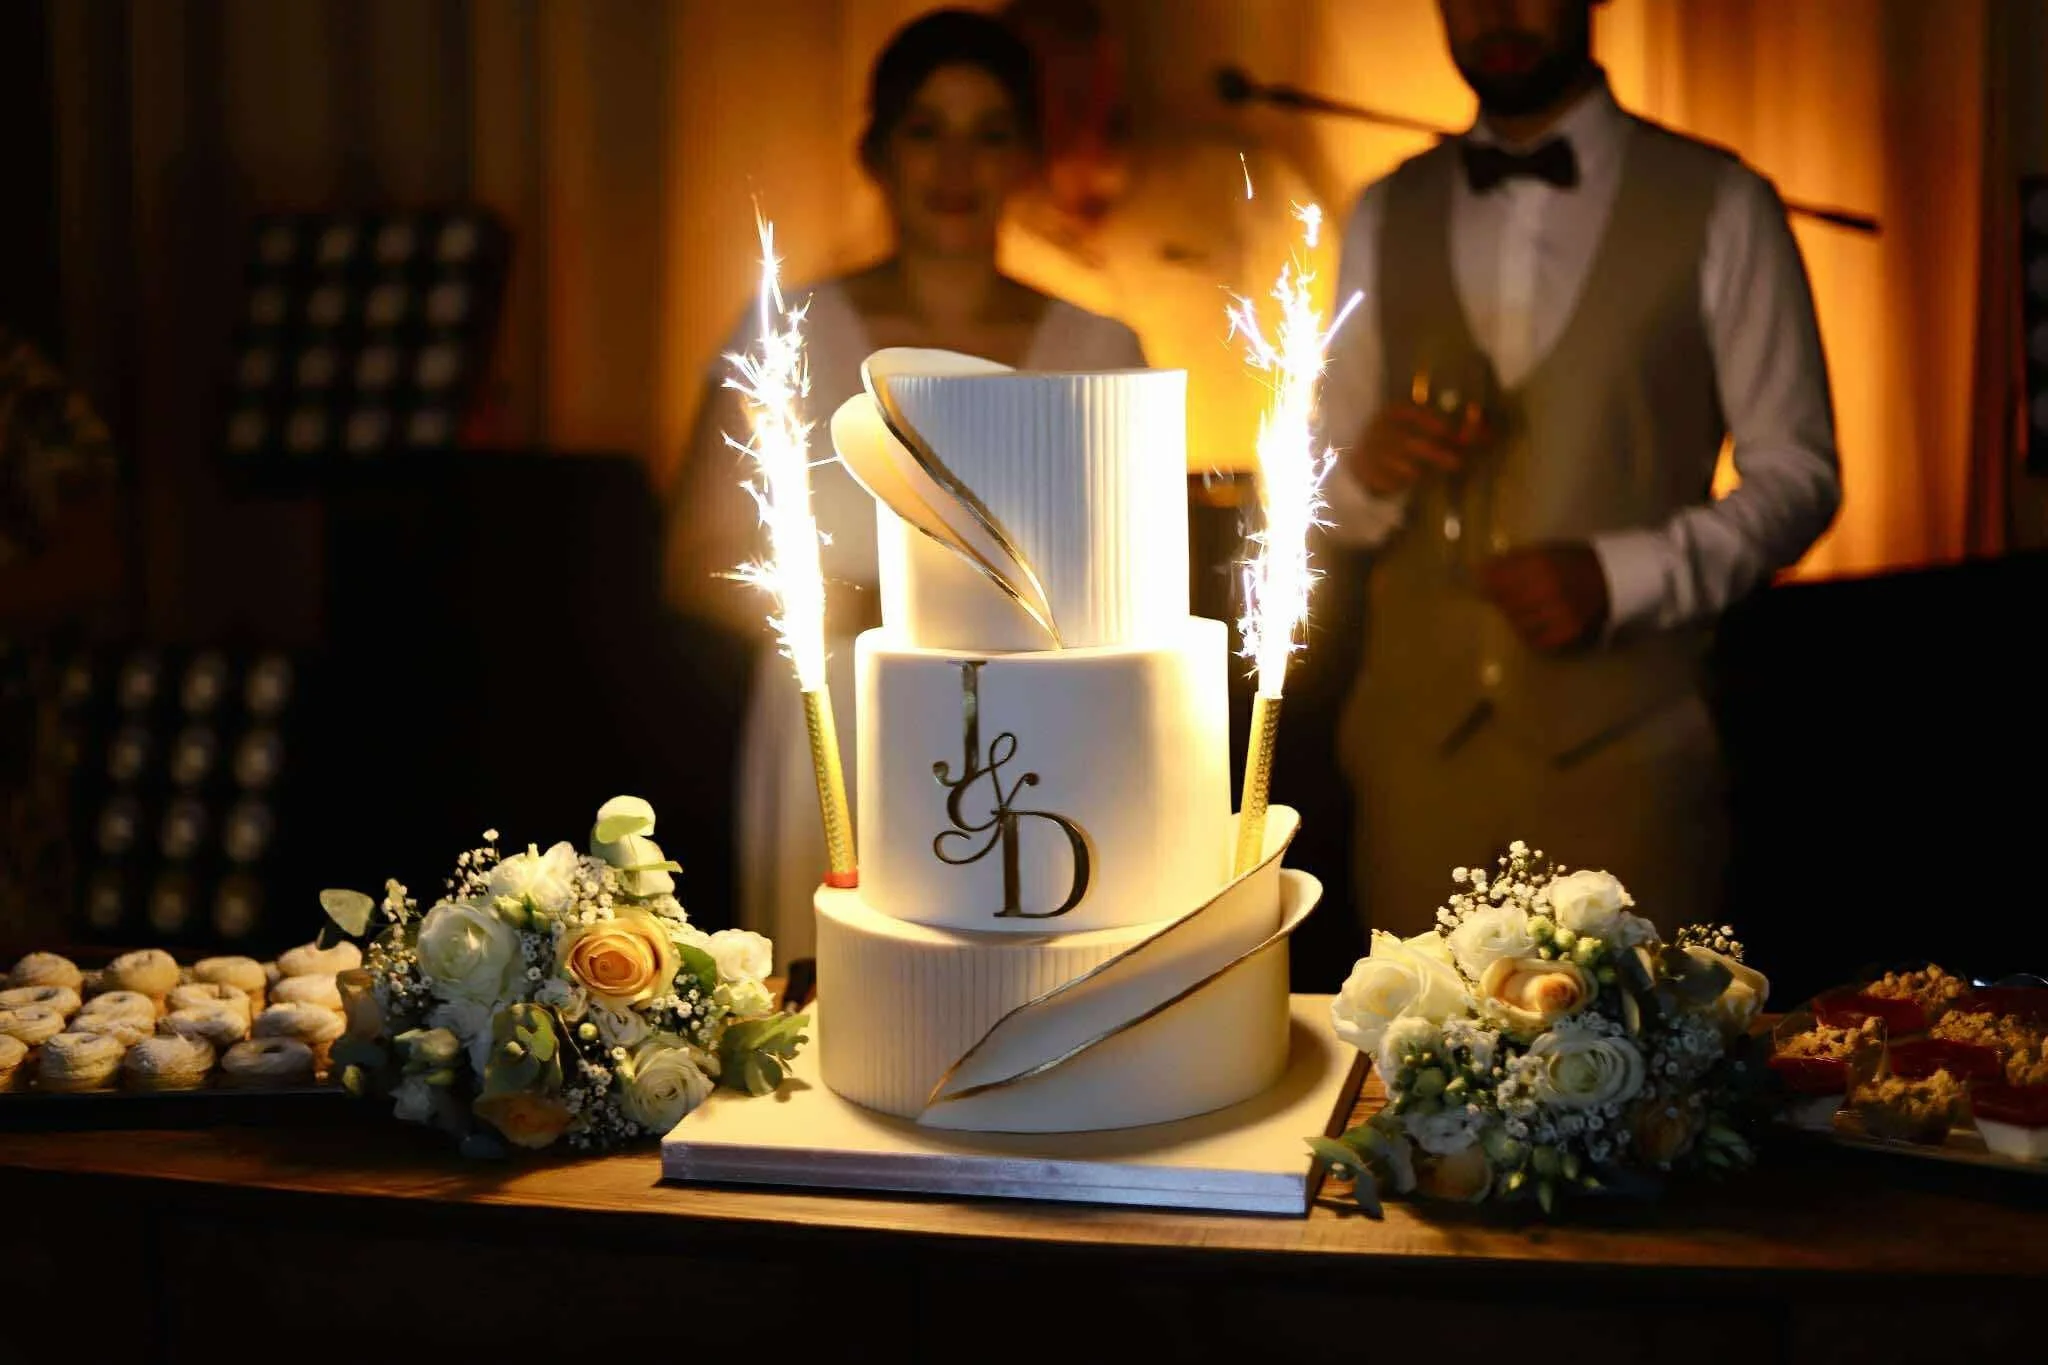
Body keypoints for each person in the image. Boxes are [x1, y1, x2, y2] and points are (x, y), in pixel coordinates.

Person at [1318, 0, 1840, 937]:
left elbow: (1798, 475)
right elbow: (1321, 490)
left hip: (1631, 760)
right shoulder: (1385, 208)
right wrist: (1361, 473)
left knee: (1639, 1070)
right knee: (1412, 1075)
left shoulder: (1721, 201)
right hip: (1411, 764)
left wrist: (1621, 577)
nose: (1497, 11)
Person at [667, 8, 1146, 967]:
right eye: (926, 130)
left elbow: (1140, 577)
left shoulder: (1100, 349)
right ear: (877, 151)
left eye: (989, 133)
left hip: (1048, 732)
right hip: (840, 726)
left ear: (1027, 157)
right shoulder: (784, 332)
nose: (955, 167)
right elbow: (694, 560)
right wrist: (886, 609)